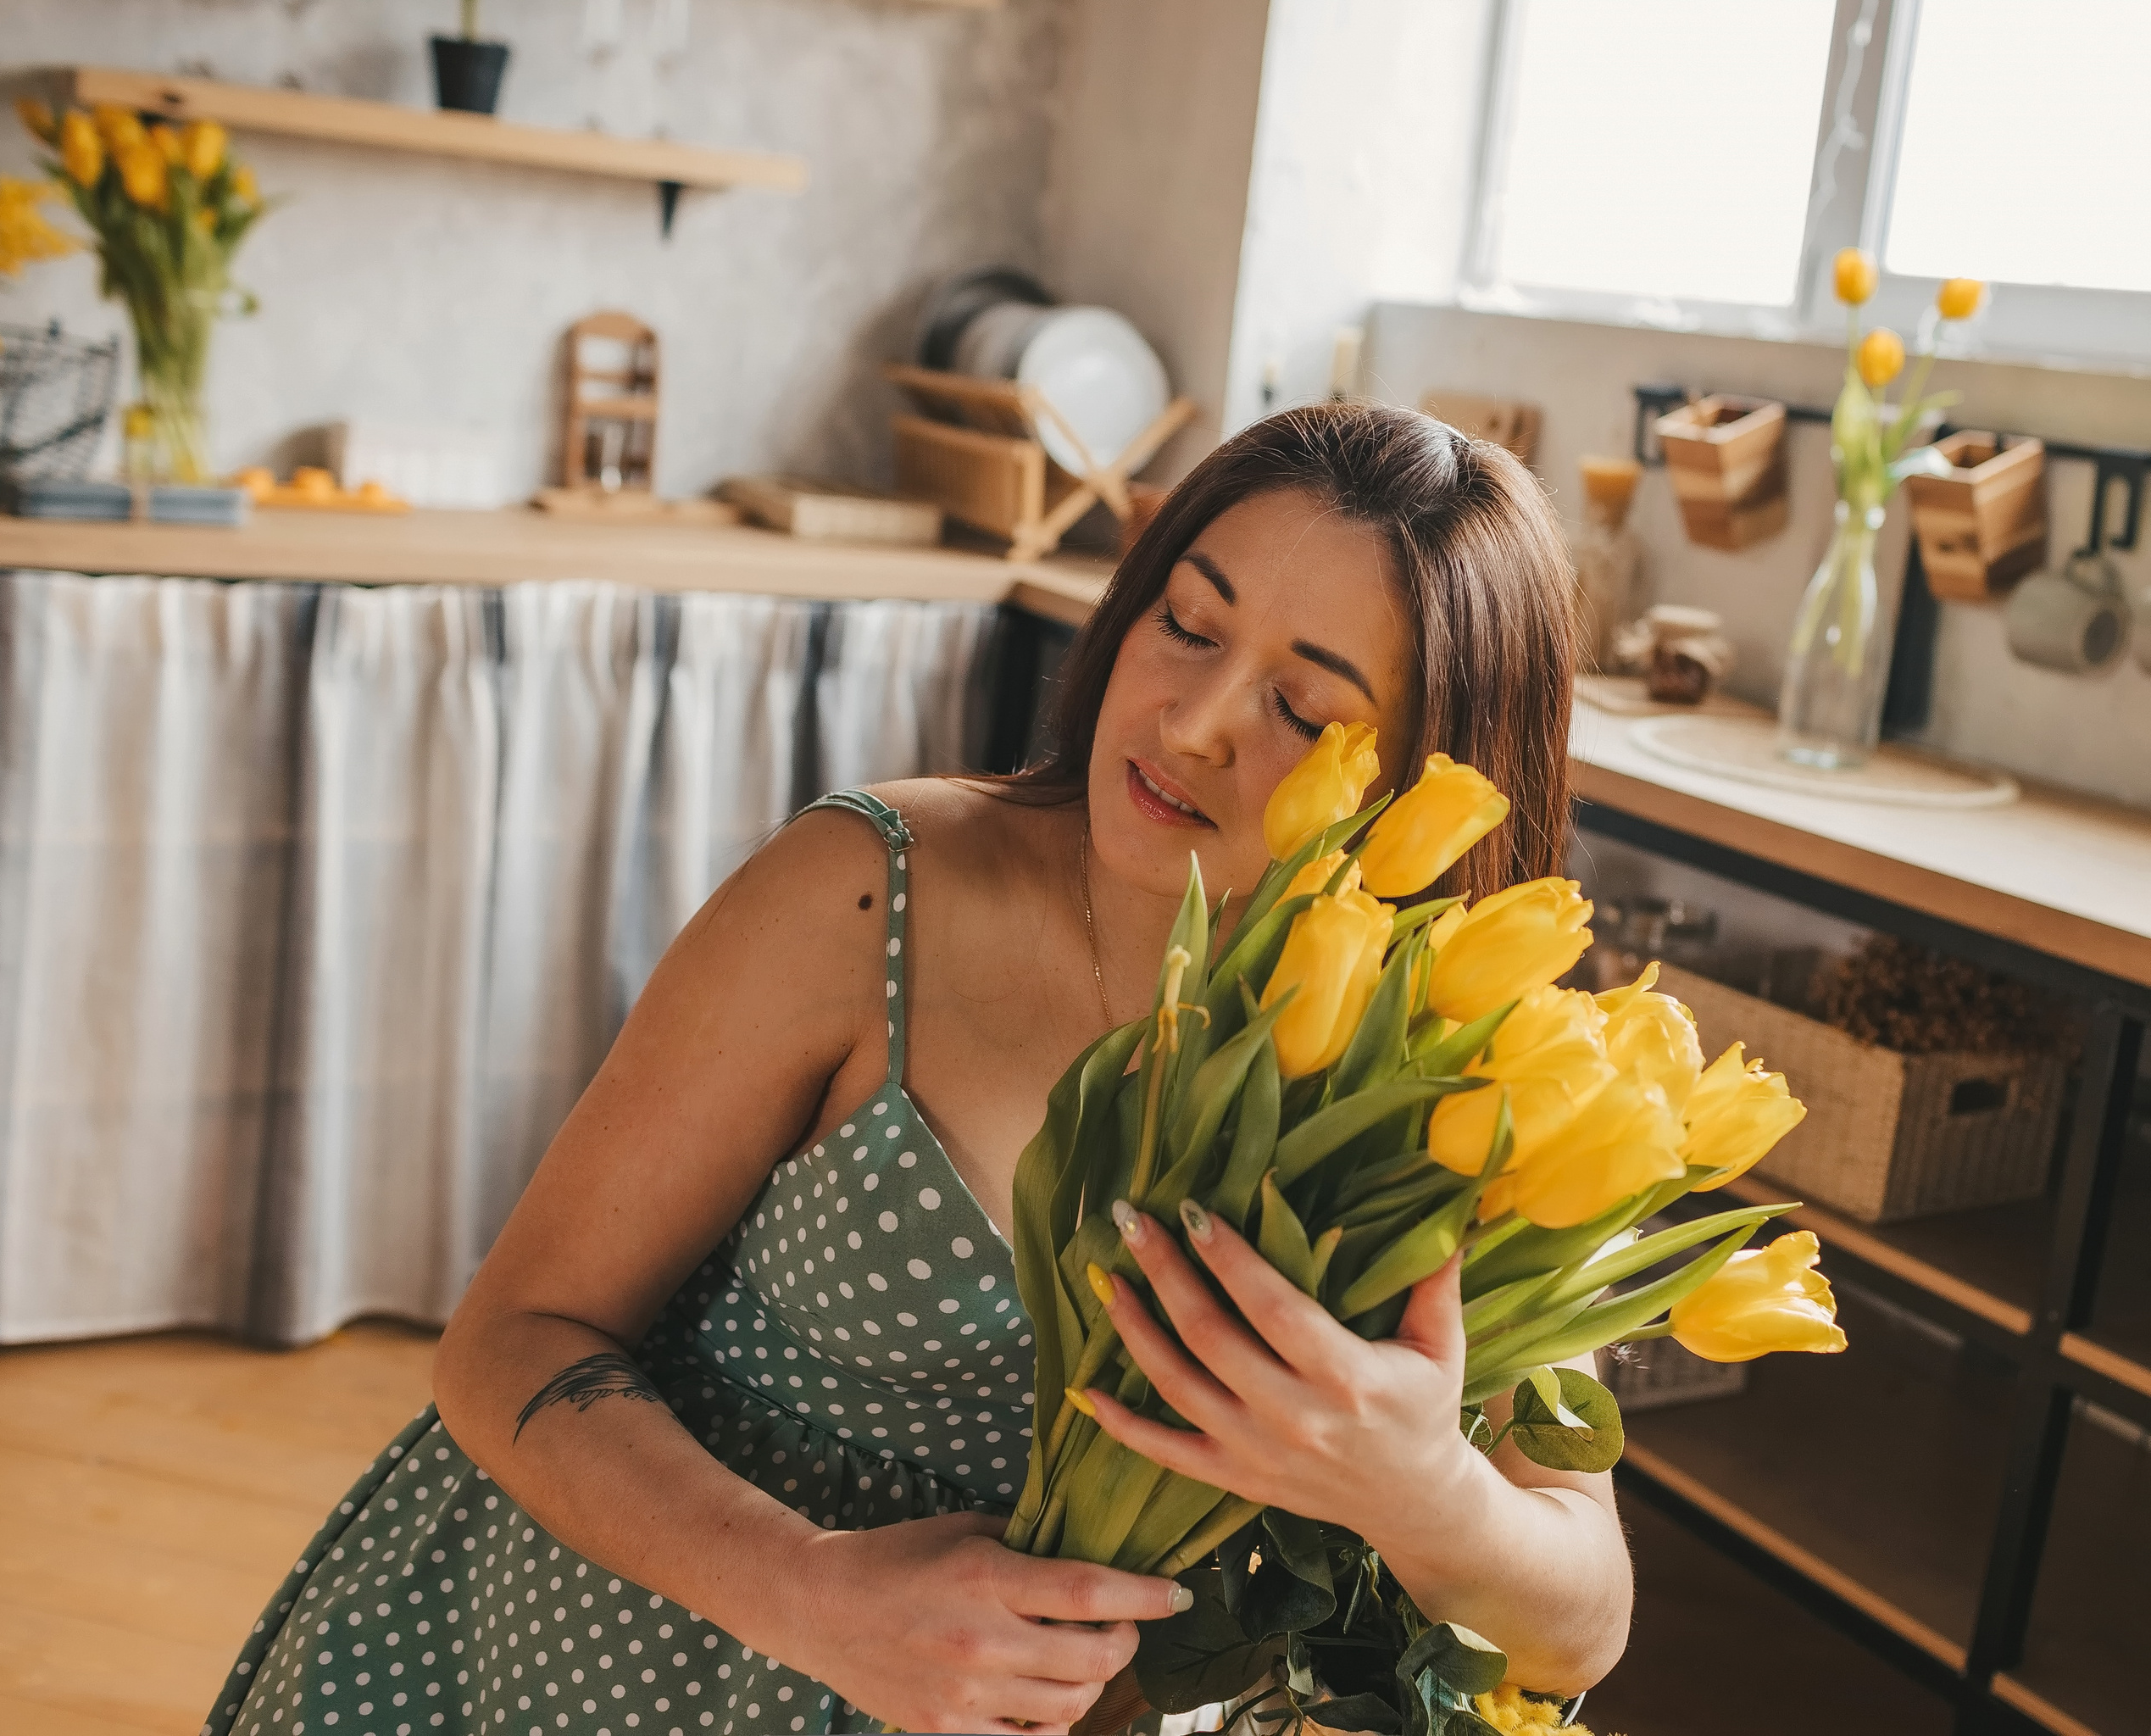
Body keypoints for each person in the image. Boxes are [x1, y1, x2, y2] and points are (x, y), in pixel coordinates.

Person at [206, 403, 1629, 1736]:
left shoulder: (1461, 1069)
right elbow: (509, 1341)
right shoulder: (870, 887)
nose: (1195, 723)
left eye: (1307, 716)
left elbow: (1578, 1624)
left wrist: (1426, 1489)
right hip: (612, 1658)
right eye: (1187, 626)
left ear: (1438, 779)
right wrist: (813, 1592)